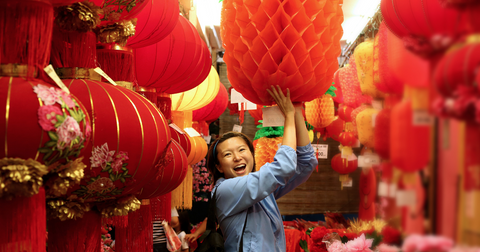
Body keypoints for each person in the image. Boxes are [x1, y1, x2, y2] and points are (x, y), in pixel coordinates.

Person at [206, 85, 318, 252]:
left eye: (242, 150)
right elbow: (284, 167)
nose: (237, 157)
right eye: (228, 154)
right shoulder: (224, 191)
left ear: (252, 155)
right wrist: (288, 116)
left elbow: (306, 163)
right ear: (219, 167)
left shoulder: (261, 190)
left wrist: (297, 112)